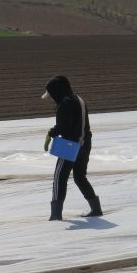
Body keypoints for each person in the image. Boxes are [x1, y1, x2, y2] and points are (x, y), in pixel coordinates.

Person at [42, 75, 102, 221]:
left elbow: (63, 126)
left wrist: (51, 133)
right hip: (85, 143)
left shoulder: (65, 103)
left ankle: (55, 215)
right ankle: (96, 208)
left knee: (59, 178)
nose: (51, 98)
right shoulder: (79, 99)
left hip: (70, 145)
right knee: (80, 177)